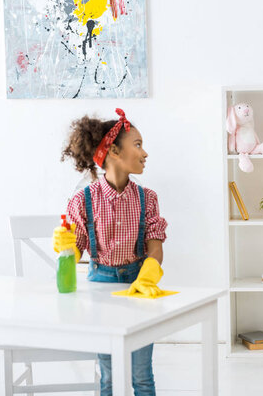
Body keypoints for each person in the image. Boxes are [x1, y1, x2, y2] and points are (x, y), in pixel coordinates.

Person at [53, 108, 168, 394]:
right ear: (114, 150)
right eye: (138, 145)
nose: (145, 153)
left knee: (142, 375)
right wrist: (66, 247)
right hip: (99, 289)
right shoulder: (83, 200)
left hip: (138, 286)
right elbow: (75, 253)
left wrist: (148, 275)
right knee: (110, 376)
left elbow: (155, 248)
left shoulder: (147, 199)